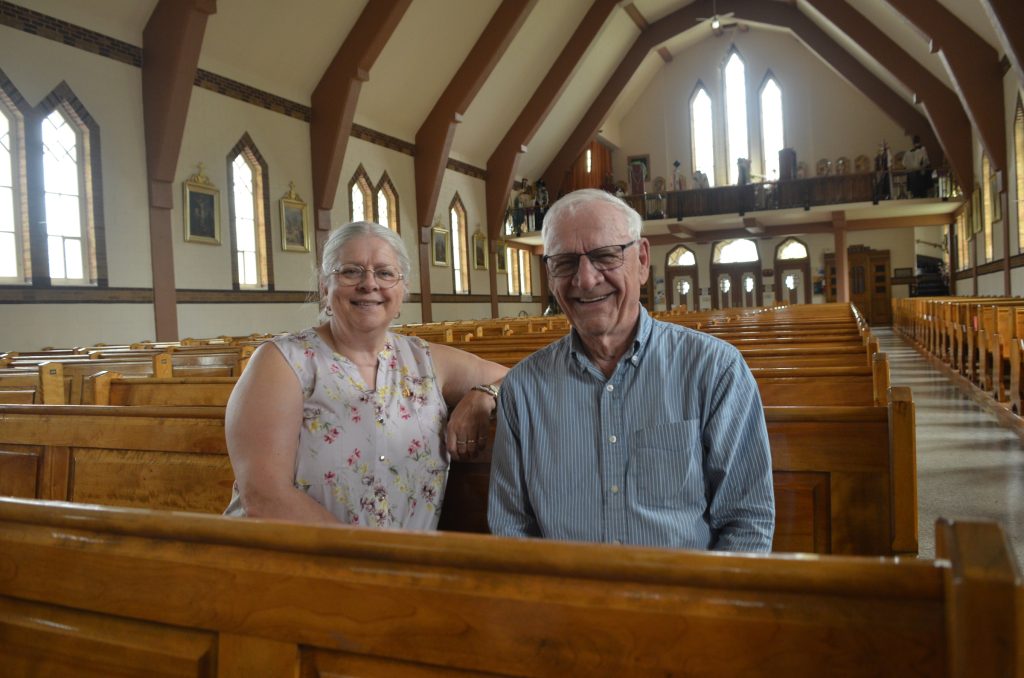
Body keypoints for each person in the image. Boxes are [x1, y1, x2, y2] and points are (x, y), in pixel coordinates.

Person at [488, 189, 774, 551]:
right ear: (549, 275)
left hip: (681, 601)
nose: (586, 279)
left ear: (641, 259)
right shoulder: (524, 388)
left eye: (605, 256)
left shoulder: (715, 370)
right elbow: (511, 529)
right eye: (564, 263)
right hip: (569, 602)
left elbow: (748, 521)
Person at [225, 221, 507, 529]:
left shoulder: (426, 361)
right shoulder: (282, 363)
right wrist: (368, 561)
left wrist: (484, 395)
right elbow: (264, 498)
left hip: (398, 567)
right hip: (292, 565)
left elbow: (527, 380)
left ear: (403, 289)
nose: (369, 284)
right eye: (351, 271)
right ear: (324, 286)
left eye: (385, 273)